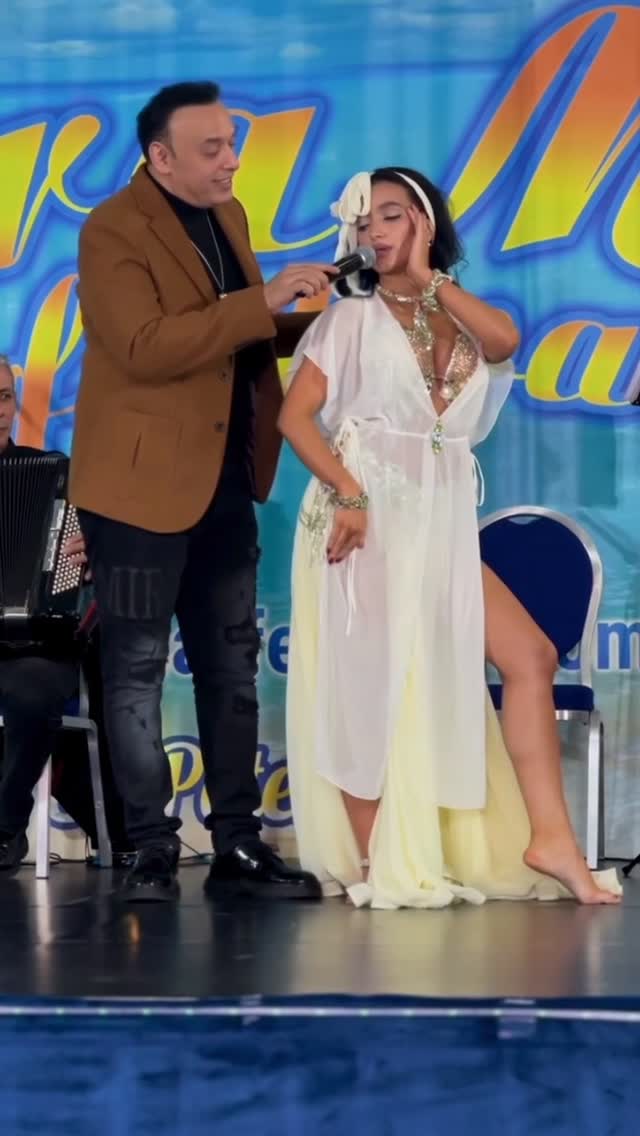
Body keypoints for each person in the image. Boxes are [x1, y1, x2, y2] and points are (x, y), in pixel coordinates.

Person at [278, 167, 621, 909]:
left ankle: (552, 840)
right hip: (362, 512)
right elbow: (294, 419)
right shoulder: (349, 318)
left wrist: (429, 281)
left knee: (529, 655)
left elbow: (504, 341)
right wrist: (350, 493)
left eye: (392, 215)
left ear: (426, 222)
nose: (375, 231)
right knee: (369, 685)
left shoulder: (460, 317)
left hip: (438, 522)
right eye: (364, 220)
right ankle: (376, 860)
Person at [70, 81, 335, 902]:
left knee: (231, 670)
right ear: (161, 157)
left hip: (223, 481)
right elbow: (147, 346)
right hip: (138, 490)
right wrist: (263, 300)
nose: (232, 160)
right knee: (136, 672)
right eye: (212, 147)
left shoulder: (230, 216)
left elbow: (235, 335)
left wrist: (326, 322)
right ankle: (149, 849)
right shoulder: (112, 229)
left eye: (232, 143)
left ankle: (237, 846)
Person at [0, 355, 130, 871]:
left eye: (4, 397)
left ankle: (3, 827)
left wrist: (92, 555)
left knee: (34, 695)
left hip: (34, 643)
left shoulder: (52, 474)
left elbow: (105, 552)